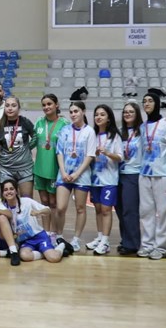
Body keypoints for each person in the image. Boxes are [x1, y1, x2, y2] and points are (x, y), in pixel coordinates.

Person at [54, 101, 95, 253]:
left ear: (83, 111)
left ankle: (76, 239)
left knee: (80, 208)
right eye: (71, 112)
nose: (73, 114)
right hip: (64, 175)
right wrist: (63, 172)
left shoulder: (89, 131)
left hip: (82, 175)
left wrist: (76, 174)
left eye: (76, 111)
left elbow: (90, 155)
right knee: (60, 207)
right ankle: (59, 237)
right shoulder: (65, 129)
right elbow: (59, 152)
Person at [138, 92, 166, 260]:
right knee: (146, 212)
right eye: (144, 101)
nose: (146, 103)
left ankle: (162, 247)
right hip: (145, 174)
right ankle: (147, 244)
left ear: (157, 103)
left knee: (164, 212)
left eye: (150, 101)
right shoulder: (142, 126)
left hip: (163, 174)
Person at [1, 180, 66, 263]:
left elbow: (48, 210)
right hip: (25, 241)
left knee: (54, 258)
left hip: (38, 236)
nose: (9, 192)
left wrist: (38, 212)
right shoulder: (2, 207)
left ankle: (62, 245)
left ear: (16, 191)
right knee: (24, 255)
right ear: (2, 193)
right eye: (5, 190)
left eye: (11, 189)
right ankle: (44, 253)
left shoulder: (26, 201)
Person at [87, 104, 123, 256]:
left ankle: (106, 241)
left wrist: (107, 153)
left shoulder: (115, 136)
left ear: (108, 118)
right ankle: (100, 237)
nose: (98, 117)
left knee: (106, 210)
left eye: (102, 114)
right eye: (96, 114)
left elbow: (120, 157)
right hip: (95, 179)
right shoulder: (92, 135)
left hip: (109, 180)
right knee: (98, 209)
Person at [33, 94, 69, 239]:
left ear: (56, 105)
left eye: (49, 104)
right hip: (40, 168)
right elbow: (32, 142)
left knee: (53, 203)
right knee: (44, 202)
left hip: (55, 169)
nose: (46, 107)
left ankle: (54, 233)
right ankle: (45, 232)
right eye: (44, 105)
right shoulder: (39, 122)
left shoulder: (64, 124)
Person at [0, 96, 36, 197]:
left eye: (13, 105)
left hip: (25, 168)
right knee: (7, 200)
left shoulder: (25, 122)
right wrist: (2, 153)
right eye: (7, 106)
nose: (10, 108)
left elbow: (36, 136)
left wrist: (27, 147)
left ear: (19, 108)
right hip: (6, 169)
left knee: (27, 200)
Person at [115, 102, 143, 255]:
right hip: (118, 173)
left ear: (137, 113)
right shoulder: (120, 132)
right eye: (125, 112)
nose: (127, 114)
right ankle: (125, 240)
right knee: (120, 209)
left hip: (133, 174)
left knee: (130, 210)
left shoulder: (142, 131)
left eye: (131, 111)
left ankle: (132, 243)